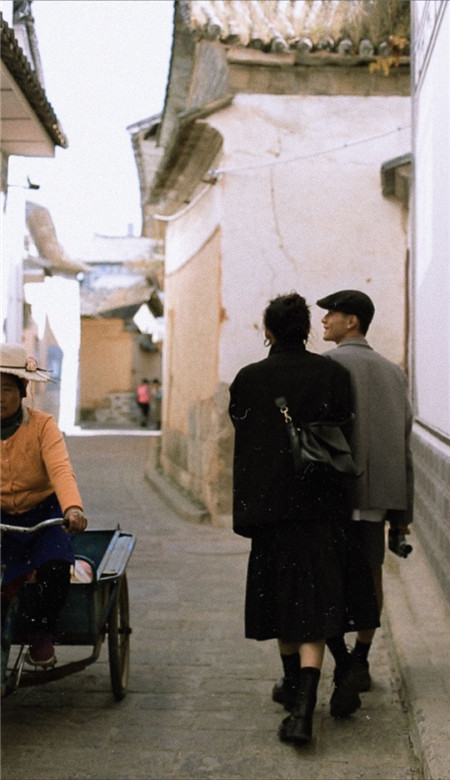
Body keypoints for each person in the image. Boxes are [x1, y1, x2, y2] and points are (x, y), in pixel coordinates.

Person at [228, 293, 379, 745]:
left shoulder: (249, 379)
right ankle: (303, 699)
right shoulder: (332, 373)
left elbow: (244, 433)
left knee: (282, 600)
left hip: (272, 512)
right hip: (323, 511)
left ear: (267, 331)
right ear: (308, 330)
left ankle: (298, 695)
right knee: (314, 602)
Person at [316, 289, 414, 714]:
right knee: (371, 576)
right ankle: (361, 657)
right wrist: (402, 516)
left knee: (330, 579)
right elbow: (404, 443)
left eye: (331, 315)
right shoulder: (395, 373)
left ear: (351, 321)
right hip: (377, 499)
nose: (324, 322)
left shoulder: (328, 367)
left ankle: (341, 660)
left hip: (336, 496)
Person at [1, 343, 87, 668]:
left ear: (23, 391)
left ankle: (41, 632)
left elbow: (61, 469)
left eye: (6, 389)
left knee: (55, 565)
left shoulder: (43, 426)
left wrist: (72, 509)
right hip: (2, 517)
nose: (0, 397)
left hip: (44, 513)